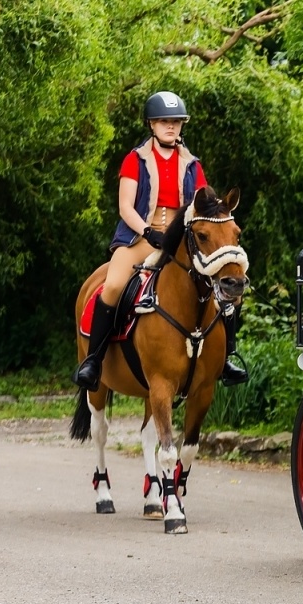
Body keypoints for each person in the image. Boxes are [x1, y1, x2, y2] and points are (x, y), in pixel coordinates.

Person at [74, 91, 246, 390]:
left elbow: (204, 202)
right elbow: (125, 206)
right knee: (113, 285)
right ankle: (93, 361)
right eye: (164, 121)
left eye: (176, 122)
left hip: (180, 241)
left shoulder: (192, 164)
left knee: (229, 290)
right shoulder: (135, 160)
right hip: (139, 237)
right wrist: (148, 231)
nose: (171, 127)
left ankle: (227, 356)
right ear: (151, 124)